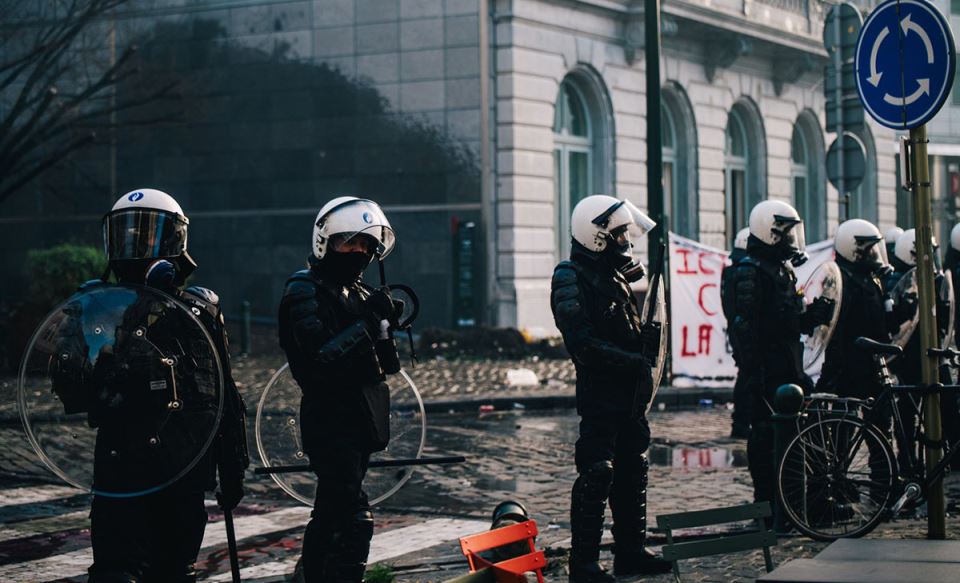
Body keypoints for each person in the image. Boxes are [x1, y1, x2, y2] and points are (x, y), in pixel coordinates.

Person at [88, 189, 248, 582]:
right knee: (114, 570)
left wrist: (233, 465)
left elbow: (222, 391)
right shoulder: (99, 306)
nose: (135, 246)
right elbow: (76, 386)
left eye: (148, 235)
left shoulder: (199, 309)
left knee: (174, 571)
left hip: (183, 463)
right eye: (127, 234)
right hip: (121, 461)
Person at [278, 196, 404, 582]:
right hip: (329, 421)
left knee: (332, 513)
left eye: (366, 245)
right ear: (326, 242)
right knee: (352, 518)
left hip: (361, 421)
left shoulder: (360, 292)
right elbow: (318, 359)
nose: (359, 252)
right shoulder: (303, 290)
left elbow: (389, 366)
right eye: (351, 242)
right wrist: (368, 323)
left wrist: (386, 325)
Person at [550, 194, 672, 582]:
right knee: (597, 473)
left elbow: (626, 329)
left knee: (633, 469)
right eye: (618, 232)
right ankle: (583, 565)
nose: (625, 239)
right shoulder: (569, 276)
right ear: (596, 234)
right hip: (601, 394)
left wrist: (646, 345)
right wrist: (631, 360)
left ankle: (630, 553)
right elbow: (582, 344)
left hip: (630, 396)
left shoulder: (615, 275)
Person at [727, 200, 833, 509]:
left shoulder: (780, 269)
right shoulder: (750, 270)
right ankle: (769, 503)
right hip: (767, 371)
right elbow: (745, 327)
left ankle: (799, 500)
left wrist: (814, 314)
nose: (792, 240)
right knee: (765, 437)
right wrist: (754, 374)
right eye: (787, 233)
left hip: (788, 366)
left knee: (803, 431)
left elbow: (789, 322)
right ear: (771, 232)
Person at [816, 219, 892, 399]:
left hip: (871, 360)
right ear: (853, 247)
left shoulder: (871, 279)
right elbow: (835, 326)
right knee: (845, 415)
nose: (874, 255)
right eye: (870, 249)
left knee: (881, 413)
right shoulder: (841, 280)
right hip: (848, 362)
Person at [722, 227, 751, 438]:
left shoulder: (730, 271)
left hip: (737, 329)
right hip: (743, 331)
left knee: (745, 374)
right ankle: (740, 422)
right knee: (747, 375)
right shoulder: (739, 273)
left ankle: (740, 421)